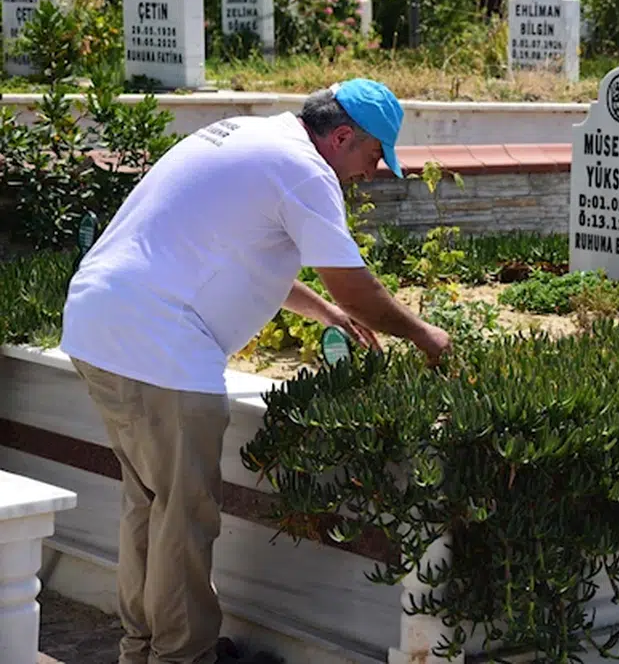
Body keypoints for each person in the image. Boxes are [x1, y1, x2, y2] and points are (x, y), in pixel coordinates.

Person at [59, 78, 452, 664]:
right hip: (159, 347)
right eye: (373, 157)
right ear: (342, 136)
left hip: (101, 325)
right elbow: (356, 282)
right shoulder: (306, 172)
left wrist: (323, 310)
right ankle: (182, 656)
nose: (371, 172)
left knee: (150, 504)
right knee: (184, 516)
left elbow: (238, 251)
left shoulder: (251, 135)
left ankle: (141, 648)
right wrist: (426, 336)